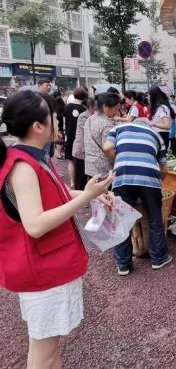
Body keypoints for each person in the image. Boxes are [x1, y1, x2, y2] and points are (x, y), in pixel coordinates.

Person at [0, 90, 114, 369]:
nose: (57, 121)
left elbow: (59, 193)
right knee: (43, 352)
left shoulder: (31, 157)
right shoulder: (24, 166)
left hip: (46, 267)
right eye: (52, 116)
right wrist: (86, 197)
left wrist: (91, 193)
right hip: (43, 271)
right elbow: (35, 225)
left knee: (49, 351)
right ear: (38, 126)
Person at [103, 117, 172, 275]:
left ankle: (123, 265)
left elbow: (107, 148)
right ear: (147, 125)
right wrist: (157, 181)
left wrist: (118, 162)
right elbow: (164, 169)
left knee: (121, 220)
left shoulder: (119, 128)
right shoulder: (155, 134)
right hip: (149, 178)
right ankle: (158, 259)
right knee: (155, 218)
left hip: (123, 177)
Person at [84, 92, 119, 180]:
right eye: (115, 109)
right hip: (103, 168)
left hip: (89, 164)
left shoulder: (90, 118)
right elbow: (107, 149)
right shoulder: (107, 124)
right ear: (105, 106)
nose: (116, 112)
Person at [64, 87, 88, 188]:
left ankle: (72, 182)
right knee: (80, 161)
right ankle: (81, 182)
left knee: (70, 160)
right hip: (80, 138)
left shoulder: (67, 107)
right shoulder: (84, 109)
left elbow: (64, 121)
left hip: (69, 135)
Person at [72, 98, 97, 190]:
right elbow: (89, 132)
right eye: (95, 106)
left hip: (90, 152)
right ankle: (80, 200)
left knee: (91, 177)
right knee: (80, 178)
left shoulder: (95, 116)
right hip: (81, 151)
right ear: (90, 106)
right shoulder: (83, 116)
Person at [147, 85, 174, 150]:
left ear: (153, 97)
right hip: (157, 135)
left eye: (149, 96)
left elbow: (167, 125)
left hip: (162, 136)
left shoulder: (162, 108)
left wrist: (152, 123)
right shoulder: (157, 108)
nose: (148, 97)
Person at [53, 89, 66, 160]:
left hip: (56, 121)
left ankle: (59, 153)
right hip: (59, 122)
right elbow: (61, 112)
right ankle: (58, 154)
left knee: (58, 137)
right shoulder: (59, 100)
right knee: (60, 138)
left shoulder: (53, 100)